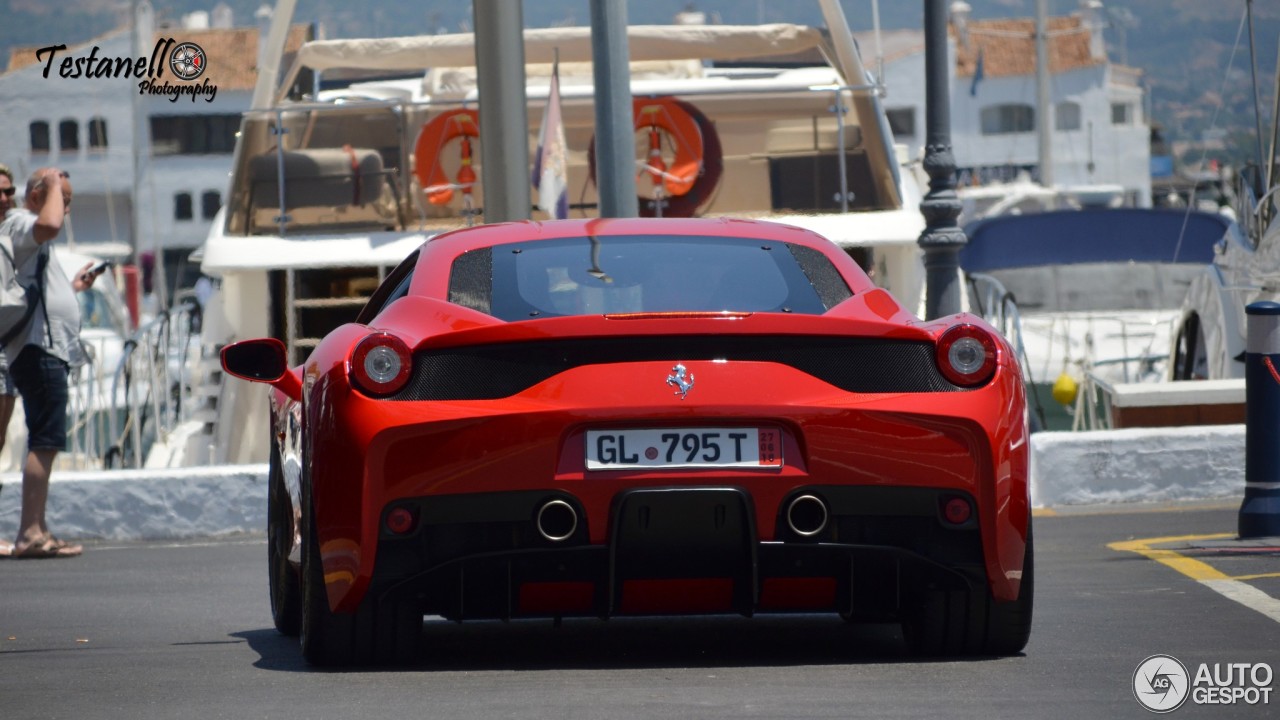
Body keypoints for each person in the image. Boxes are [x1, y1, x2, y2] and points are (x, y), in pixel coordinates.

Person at [2, 167, 99, 558]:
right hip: (40, 349)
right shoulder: (23, 222)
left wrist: (73, 288)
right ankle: (31, 532)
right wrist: (53, 183)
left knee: (46, 439)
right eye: (64, 197)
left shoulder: (24, 227)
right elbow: (52, 224)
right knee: (44, 440)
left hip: (43, 348)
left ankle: (37, 528)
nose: (66, 207)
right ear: (39, 195)